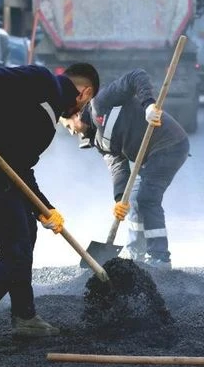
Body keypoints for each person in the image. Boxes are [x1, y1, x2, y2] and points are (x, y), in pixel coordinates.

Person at [0, 63, 100, 361]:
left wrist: (45, 209)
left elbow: (21, 169)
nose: (82, 112)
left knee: (27, 229)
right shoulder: (43, 82)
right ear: (84, 94)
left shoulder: (46, 123)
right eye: (86, 105)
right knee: (14, 252)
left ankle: (25, 316)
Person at [64, 68, 188, 268]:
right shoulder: (99, 142)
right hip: (150, 156)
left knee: (146, 198)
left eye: (69, 126)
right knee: (133, 200)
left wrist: (148, 106)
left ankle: (160, 257)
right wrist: (119, 199)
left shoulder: (101, 102)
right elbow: (117, 167)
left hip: (170, 144)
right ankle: (136, 252)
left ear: (76, 114)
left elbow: (136, 76)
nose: (71, 133)